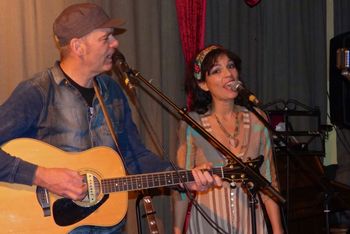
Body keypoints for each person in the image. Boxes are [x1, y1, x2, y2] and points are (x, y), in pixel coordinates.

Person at [0, 3, 221, 233]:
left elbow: (133, 156)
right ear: (78, 46)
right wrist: (42, 176)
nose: (115, 44)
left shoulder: (111, 93)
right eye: (106, 38)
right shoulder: (38, 92)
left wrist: (181, 177)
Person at [172, 45, 284, 234]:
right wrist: (177, 230)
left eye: (231, 66)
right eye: (217, 70)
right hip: (208, 224)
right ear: (203, 84)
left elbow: (268, 180)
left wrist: (277, 229)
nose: (228, 74)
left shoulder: (257, 119)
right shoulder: (193, 124)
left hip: (251, 224)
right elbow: (182, 186)